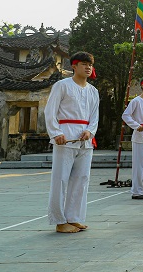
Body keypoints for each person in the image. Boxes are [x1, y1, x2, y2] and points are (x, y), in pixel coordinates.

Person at [45, 51, 99, 233]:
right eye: (84, 64)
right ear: (74, 66)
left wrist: (90, 131)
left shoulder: (93, 91)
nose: (88, 67)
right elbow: (50, 111)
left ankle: (74, 217)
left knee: (81, 178)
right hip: (65, 136)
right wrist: (55, 133)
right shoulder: (62, 86)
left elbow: (95, 117)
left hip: (85, 139)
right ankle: (60, 221)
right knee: (60, 178)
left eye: (90, 64)